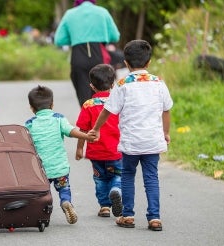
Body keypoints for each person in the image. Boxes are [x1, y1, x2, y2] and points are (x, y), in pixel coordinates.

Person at [88, 40, 173, 231]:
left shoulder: (122, 84)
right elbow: (166, 110)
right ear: (149, 62)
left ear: (125, 63)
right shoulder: (158, 83)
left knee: (127, 176)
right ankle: (154, 218)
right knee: (151, 177)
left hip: (131, 142)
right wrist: (165, 132)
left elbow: (107, 110)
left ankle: (128, 215)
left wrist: (96, 128)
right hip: (152, 140)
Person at [25, 85, 95, 225]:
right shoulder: (58, 119)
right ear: (52, 104)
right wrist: (86, 136)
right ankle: (66, 201)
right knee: (64, 187)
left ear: (31, 108)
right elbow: (71, 131)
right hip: (59, 168)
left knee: (43, 193)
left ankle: (43, 213)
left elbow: (23, 143)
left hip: (40, 170)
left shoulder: (29, 124)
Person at [75, 64, 123, 218]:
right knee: (117, 175)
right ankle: (116, 189)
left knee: (100, 178)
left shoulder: (88, 105)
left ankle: (104, 207)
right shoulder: (119, 103)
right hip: (117, 151)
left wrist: (79, 149)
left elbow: (82, 130)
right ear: (113, 84)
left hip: (95, 152)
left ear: (91, 86)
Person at [54, 0, 120, 107]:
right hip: (98, 53)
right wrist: (103, 36)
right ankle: (102, 120)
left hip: (78, 54)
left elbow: (59, 40)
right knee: (102, 92)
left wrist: (75, 38)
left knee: (83, 95)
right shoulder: (102, 12)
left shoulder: (70, 14)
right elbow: (115, 36)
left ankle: (87, 120)